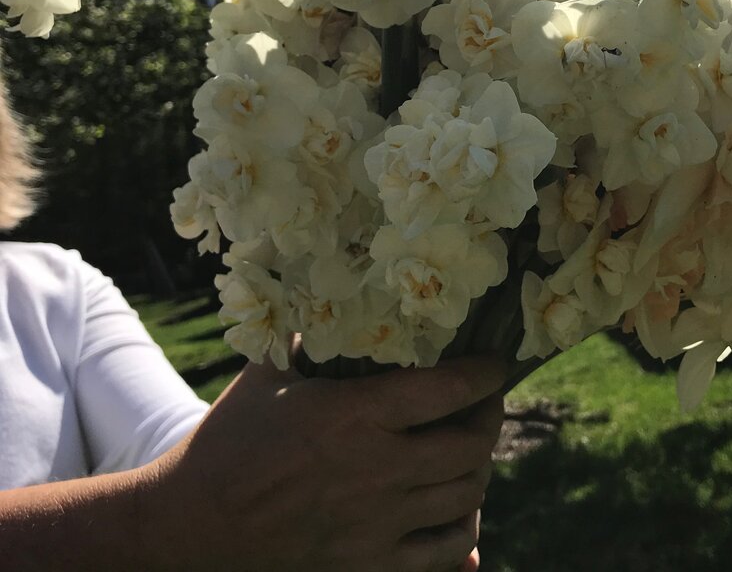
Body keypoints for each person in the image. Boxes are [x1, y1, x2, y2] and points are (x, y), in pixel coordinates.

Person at [0, 65, 505, 571]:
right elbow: (202, 497)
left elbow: (177, 447)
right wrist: (166, 525)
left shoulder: (53, 290)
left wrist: (340, 484)